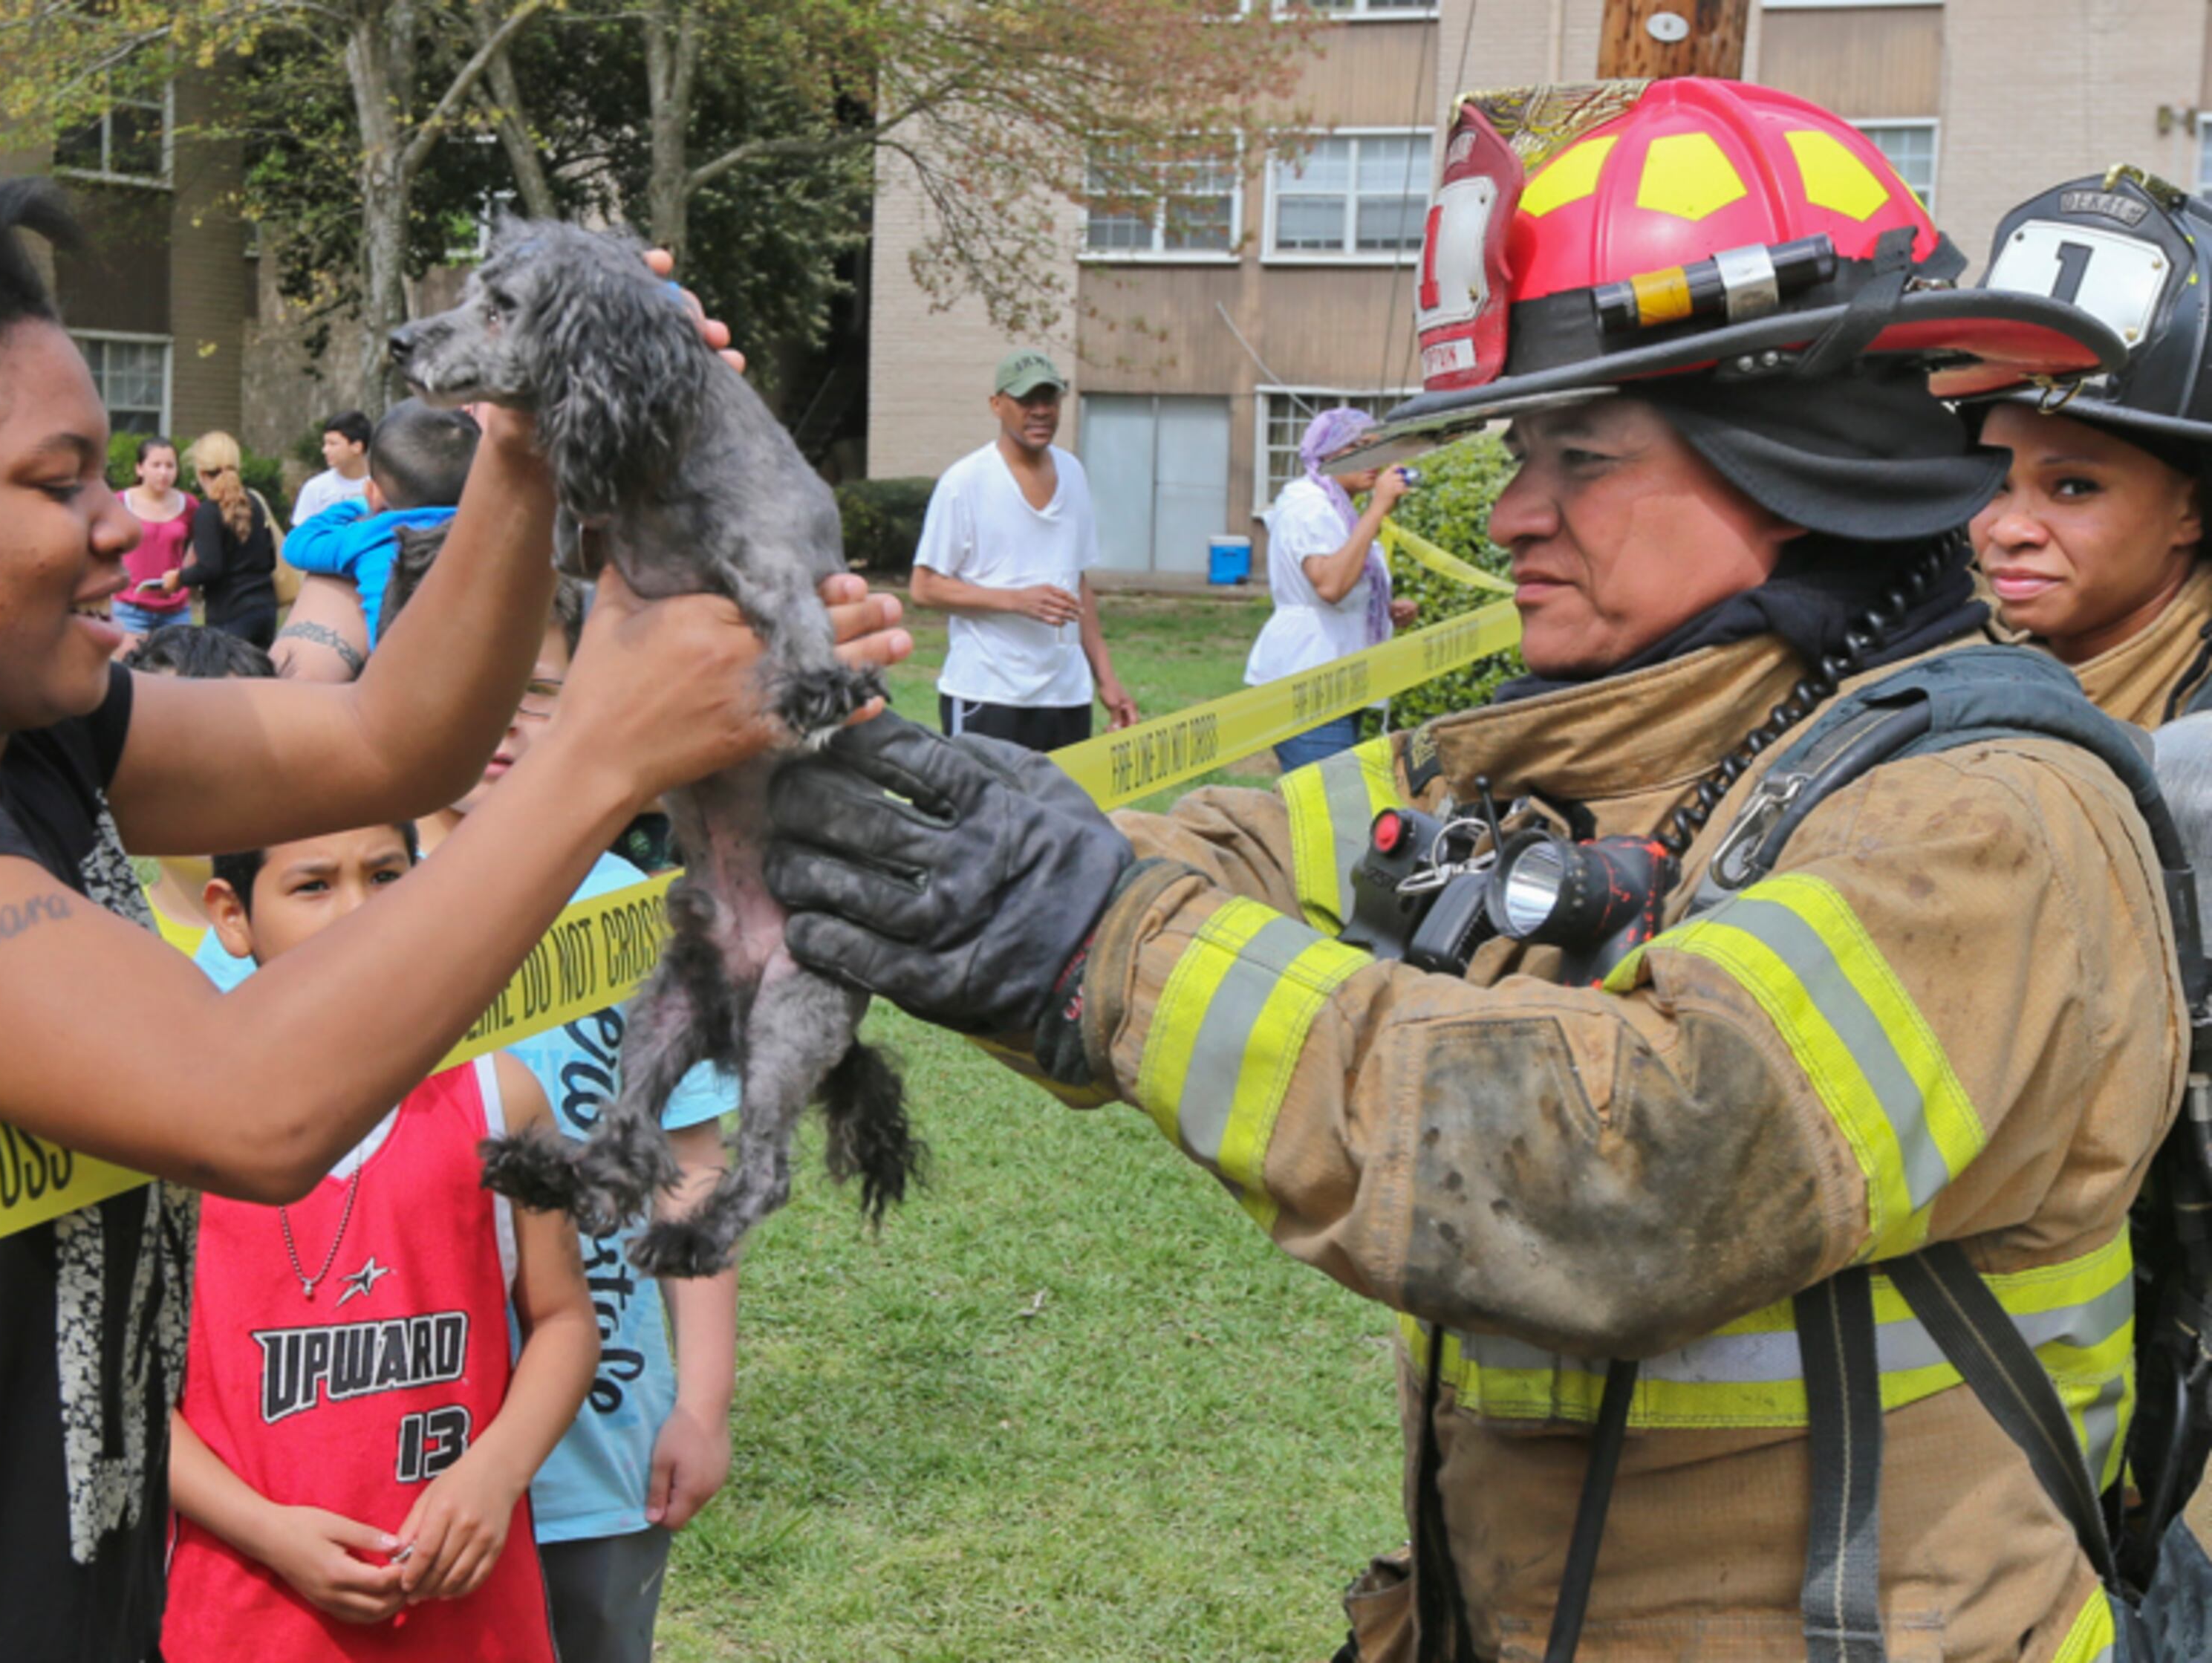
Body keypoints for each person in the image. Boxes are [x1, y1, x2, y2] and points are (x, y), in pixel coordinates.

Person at [767, 81, 2190, 1656]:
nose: (1514, 511)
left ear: (1804, 452)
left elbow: (1631, 1173)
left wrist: (1102, 944)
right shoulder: (1587, 755)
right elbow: (1238, 858)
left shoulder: (1989, 827)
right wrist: (857, 802)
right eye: (1520, 452)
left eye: (1581, 455)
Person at [0, 144, 905, 1662]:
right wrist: (601, 747)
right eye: (56, 485)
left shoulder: (31, 740)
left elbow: (397, 739)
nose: (123, 524)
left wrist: (526, 423)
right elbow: (244, 1103)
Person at [163, 819, 594, 1662]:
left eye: (388, 876)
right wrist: (268, 1530)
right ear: (231, 914)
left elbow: (566, 1321)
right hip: (243, 1618)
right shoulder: (165, 1131)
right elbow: (123, 1396)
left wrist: (495, 1472)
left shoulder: (502, 1100)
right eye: (313, 885)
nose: (359, 911)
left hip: (471, 1619)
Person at [425, 579, 740, 1663]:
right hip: (394, 1442)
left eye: (545, 692)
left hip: (599, 1453)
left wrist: (701, 1401)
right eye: (484, 690)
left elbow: (692, 1169)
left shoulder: (643, 920)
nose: (509, 724)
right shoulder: (335, 901)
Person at [1962, 169, 2212, 728]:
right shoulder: (1934, 655)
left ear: (2191, 509)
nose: (2008, 531)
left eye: (2073, 487)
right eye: (1993, 482)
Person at [908, 349, 1136, 750]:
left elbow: (1077, 583)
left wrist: (1107, 679)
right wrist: (1016, 600)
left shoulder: (1073, 473)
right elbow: (924, 588)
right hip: (988, 693)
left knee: (1058, 813)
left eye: (1050, 399)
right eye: (1026, 400)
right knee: (986, 814)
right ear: (997, 405)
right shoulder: (965, 482)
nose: (1041, 411)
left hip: (1066, 695)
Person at [1247, 408, 1422, 770]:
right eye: (1357, 448)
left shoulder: (1337, 509)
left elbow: (1342, 585)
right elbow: (1329, 585)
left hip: (1338, 677)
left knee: (1333, 807)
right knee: (1336, 806)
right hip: (1309, 680)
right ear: (1325, 454)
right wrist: (1378, 509)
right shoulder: (1309, 506)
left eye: (1377, 447)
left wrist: (1382, 609)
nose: (1373, 459)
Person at [275, 401, 478, 680]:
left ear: (374, 491)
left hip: (399, 681)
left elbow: (298, 544)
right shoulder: (487, 533)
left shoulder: (369, 537)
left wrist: (361, 503)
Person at [123, 623, 279, 976]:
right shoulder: (106, 934)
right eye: (172, 747)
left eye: (237, 743)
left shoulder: (327, 920)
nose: (209, 772)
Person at [182, 430, 284, 650]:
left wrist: (178, 578)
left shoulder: (208, 512)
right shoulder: (255, 503)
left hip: (229, 612)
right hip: (265, 609)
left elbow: (210, 568)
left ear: (201, 473)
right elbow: (270, 559)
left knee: (227, 681)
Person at [115, 435, 195, 639]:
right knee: (129, 668)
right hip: (129, 608)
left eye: (170, 466)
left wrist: (186, 576)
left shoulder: (189, 505)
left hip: (175, 611)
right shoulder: (120, 502)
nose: (164, 472)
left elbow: (200, 546)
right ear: (140, 468)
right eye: (156, 465)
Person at [291, 409, 374, 526]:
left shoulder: (383, 485)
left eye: (333, 444)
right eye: (325, 444)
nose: (325, 450)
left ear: (357, 447)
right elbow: (302, 534)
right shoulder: (315, 488)